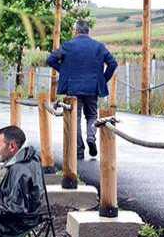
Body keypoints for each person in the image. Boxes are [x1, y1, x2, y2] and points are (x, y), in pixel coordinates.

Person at [46, 19, 117, 159]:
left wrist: (65, 72)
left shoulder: (68, 45)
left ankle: (79, 150)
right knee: (91, 116)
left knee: (75, 118)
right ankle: (91, 137)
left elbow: (50, 60)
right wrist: (102, 79)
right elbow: (113, 63)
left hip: (73, 88)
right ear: (88, 31)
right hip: (92, 88)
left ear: (76, 31)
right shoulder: (99, 46)